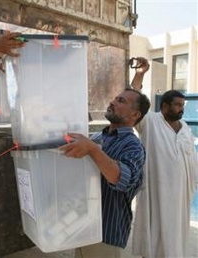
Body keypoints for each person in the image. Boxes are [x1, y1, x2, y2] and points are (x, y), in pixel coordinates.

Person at [60, 87, 151, 257]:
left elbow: (122, 179)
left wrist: (93, 150)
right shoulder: (97, 138)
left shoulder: (132, 145)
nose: (112, 102)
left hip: (106, 233)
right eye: (115, 98)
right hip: (82, 227)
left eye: (121, 101)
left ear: (135, 115)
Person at [130, 57, 198, 257]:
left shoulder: (185, 128)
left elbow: (191, 159)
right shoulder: (149, 122)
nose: (181, 108)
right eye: (177, 105)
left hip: (180, 198)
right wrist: (140, 74)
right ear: (165, 106)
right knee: (154, 240)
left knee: (175, 240)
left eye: (182, 105)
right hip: (156, 195)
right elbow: (135, 100)